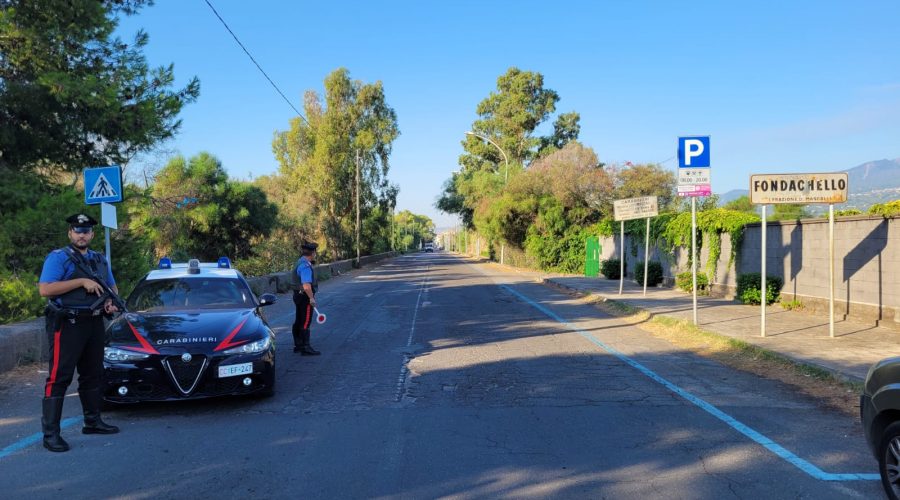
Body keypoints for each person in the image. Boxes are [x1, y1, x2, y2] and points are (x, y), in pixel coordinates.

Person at [37, 213, 120, 452]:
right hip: (68, 324)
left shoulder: (99, 259)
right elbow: (46, 289)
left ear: (93, 234)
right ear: (70, 233)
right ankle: (50, 435)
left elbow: (111, 286)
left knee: (93, 373)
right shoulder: (59, 258)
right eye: (77, 230)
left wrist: (111, 302)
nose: (82, 234)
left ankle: (92, 422)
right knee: (59, 377)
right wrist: (80, 282)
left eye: (86, 231)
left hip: (94, 322)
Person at [291, 242, 321, 355]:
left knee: (299, 319)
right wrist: (311, 298)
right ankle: (305, 347)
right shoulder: (305, 266)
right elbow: (307, 285)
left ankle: (298, 345)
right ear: (312, 253)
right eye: (315, 253)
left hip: (297, 295)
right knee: (306, 321)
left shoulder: (299, 262)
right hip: (305, 297)